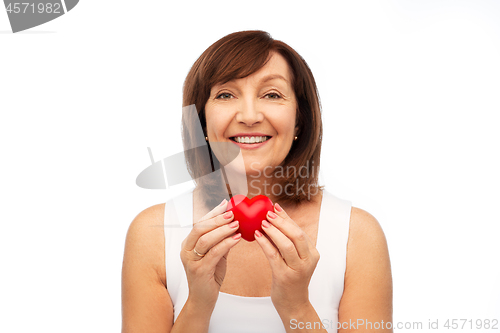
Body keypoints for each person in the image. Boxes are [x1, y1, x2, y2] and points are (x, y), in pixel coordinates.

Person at [122, 30, 393, 333]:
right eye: (226, 94)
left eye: (272, 94)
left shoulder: (357, 236)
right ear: (202, 123)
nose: (249, 116)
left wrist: (297, 307)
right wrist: (198, 304)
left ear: (299, 120)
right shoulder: (152, 235)